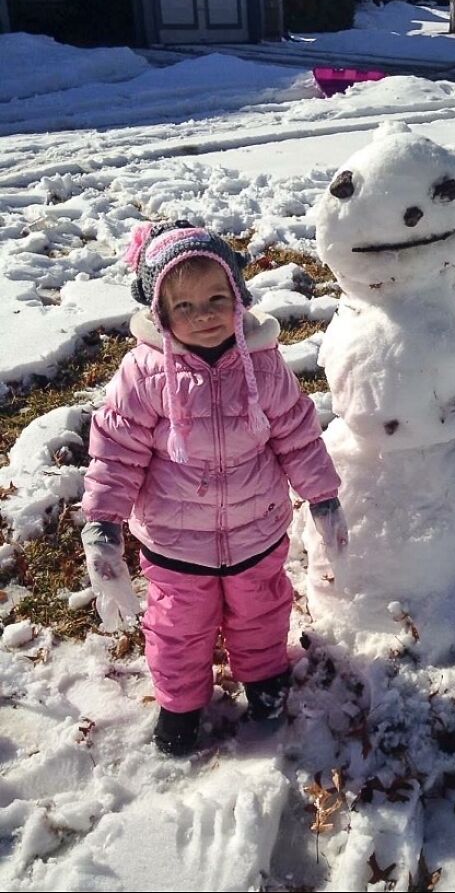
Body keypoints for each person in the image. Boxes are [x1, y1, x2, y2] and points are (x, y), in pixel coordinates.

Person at [80, 221, 347, 756]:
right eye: (184, 306)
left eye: (216, 298)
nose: (203, 315)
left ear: (239, 297)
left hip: (257, 531)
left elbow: (298, 433)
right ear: (159, 313)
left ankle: (266, 680)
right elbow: (116, 450)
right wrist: (103, 521)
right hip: (176, 543)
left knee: (262, 610)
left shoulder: (265, 365)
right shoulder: (143, 375)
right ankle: (180, 706)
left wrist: (323, 497)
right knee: (178, 628)